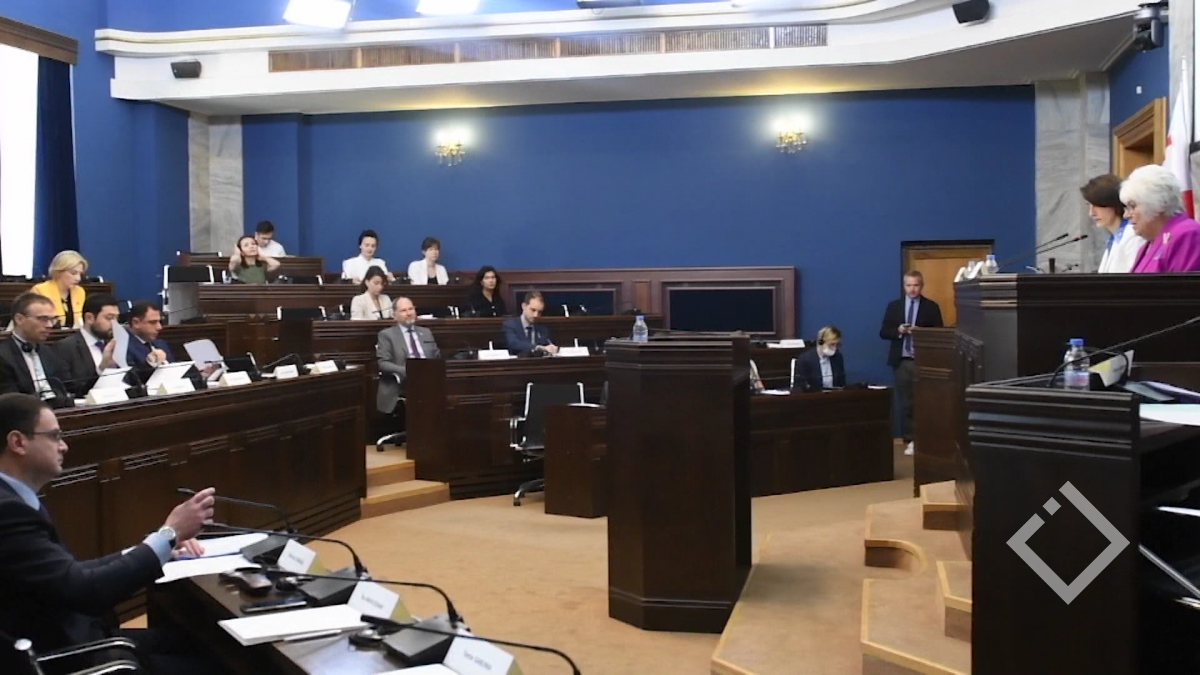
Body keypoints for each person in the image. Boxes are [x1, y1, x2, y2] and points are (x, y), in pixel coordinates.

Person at [0, 393, 217, 674]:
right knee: (217, 662)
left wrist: (158, 546)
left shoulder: (15, 499)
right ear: (18, 442)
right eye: (55, 436)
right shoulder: (8, 511)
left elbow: (68, 574)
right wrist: (170, 533)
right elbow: (85, 590)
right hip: (71, 656)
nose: (64, 446)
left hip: (75, 638)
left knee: (202, 641)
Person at [879, 271, 943, 456]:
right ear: (904, 286)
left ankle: (925, 438)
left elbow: (939, 333)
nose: (912, 289)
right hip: (902, 361)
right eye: (909, 285)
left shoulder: (931, 307)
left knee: (926, 402)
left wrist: (921, 332)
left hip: (924, 361)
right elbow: (883, 332)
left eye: (916, 285)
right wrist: (899, 330)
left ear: (921, 286)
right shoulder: (894, 306)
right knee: (906, 403)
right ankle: (910, 438)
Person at [1121, 164, 1200, 273]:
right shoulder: (1148, 245)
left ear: (1159, 203)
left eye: (1133, 206)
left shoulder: (1187, 234)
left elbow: (1183, 284)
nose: (1126, 215)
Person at [0, 294, 73, 406]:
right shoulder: (3, 356)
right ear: (19, 319)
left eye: (53, 319)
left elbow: (67, 386)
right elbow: (11, 402)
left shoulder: (49, 352)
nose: (50, 325)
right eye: (43, 319)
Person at [376, 297, 440, 414]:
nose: (409, 313)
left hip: (428, 381)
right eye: (404, 310)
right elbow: (383, 363)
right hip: (404, 382)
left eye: (411, 309)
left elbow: (436, 357)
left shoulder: (426, 332)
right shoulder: (386, 335)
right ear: (394, 315)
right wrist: (409, 370)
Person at [52, 293, 121, 397]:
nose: (115, 324)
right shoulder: (64, 348)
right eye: (109, 318)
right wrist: (101, 369)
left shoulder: (115, 343)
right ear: (89, 318)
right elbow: (71, 390)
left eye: (117, 318)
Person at [1081, 174, 1145, 273]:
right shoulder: (1114, 238)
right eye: (1089, 205)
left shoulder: (1133, 235)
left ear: (1112, 203)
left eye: (1097, 205)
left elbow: (1136, 277)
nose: (1091, 213)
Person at [30, 250, 88, 329]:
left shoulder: (79, 292)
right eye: (73, 273)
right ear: (58, 272)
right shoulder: (40, 290)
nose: (78, 278)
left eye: (80, 274)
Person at [502, 291, 558, 355]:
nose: (536, 315)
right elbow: (514, 344)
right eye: (533, 310)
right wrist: (537, 347)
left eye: (539, 312)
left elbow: (548, 344)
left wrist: (552, 348)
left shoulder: (543, 328)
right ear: (524, 306)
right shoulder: (510, 325)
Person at [796, 326, 846, 391]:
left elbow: (841, 383)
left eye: (837, 345)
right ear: (820, 342)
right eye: (832, 344)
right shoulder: (805, 359)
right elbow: (800, 386)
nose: (835, 348)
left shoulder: (837, 357)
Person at [126, 301, 174, 370]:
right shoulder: (124, 349)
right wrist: (150, 363)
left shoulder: (161, 344)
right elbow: (133, 375)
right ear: (136, 323)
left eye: (160, 322)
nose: (159, 327)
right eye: (153, 322)